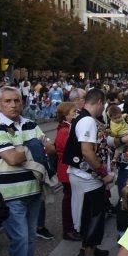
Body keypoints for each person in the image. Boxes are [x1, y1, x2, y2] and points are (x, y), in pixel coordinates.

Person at [0, 86, 53, 256]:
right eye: (7, 101)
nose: (13, 104)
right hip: (12, 196)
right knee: (20, 241)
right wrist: (34, 146)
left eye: (16, 100)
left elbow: (51, 149)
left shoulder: (30, 123)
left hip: (34, 190)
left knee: (30, 240)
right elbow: (12, 159)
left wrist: (25, 148)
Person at [62, 88, 114, 256]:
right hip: (86, 178)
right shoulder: (87, 121)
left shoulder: (85, 118)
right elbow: (87, 152)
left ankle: (90, 248)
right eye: (104, 105)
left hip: (84, 177)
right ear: (99, 102)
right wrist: (103, 173)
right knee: (92, 216)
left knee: (92, 214)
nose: (103, 109)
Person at [54, 102, 80, 241]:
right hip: (66, 170)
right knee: (69, 199)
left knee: (72, 198)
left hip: (68, 169)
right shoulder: (64, 130)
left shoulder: (68, 127)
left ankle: (73, 227)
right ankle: (68, 229)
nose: (76, 113)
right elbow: (66, 149)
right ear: (66, 114)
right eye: (73, 111)